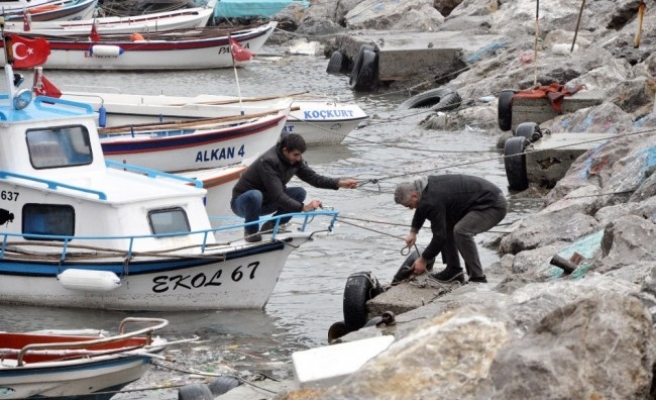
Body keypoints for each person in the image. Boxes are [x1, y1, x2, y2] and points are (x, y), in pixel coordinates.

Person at [231, 133, 358, 242]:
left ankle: (270, 227)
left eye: (300, 155)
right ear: (285, 150)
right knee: (255, 195)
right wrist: (303, 208)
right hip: (244, 203)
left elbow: (314, 178)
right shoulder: (268, 162)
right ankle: (251, 233)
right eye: (296, 154)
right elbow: (278, 195)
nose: (299, 158)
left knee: (299, 193)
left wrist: (339, 183)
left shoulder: (295, 161)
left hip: (266, 201)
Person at [394, 174, 507, 284]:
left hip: (493, 205)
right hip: (477, 202)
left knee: (461, 231)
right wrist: (413, 232)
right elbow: (421, 209)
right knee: (446, 225)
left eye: (409, 205)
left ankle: (477, 277)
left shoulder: (432, 200)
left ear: (414, 195)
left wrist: (423, 259)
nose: (410, 209)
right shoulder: (422, 190)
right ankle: (454, 270)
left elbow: (439, 237)